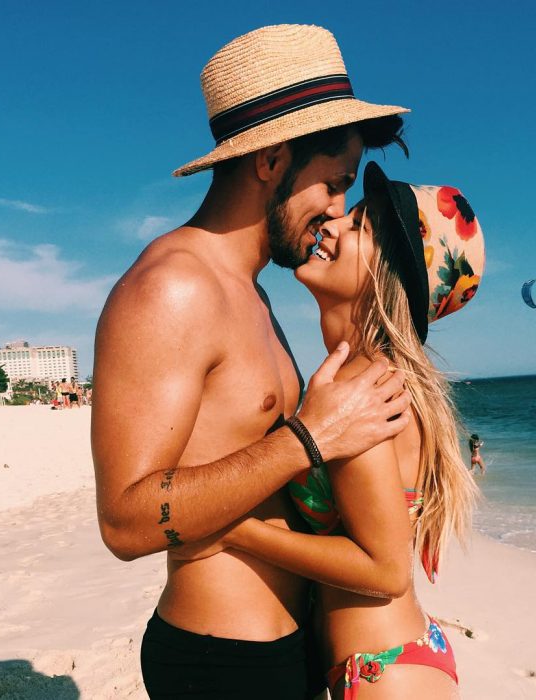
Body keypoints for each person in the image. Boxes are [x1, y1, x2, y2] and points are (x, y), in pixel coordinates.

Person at [92, 25, 411, 700]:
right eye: (332, 183)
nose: (335, 212)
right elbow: (123, 521)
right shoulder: (173, 288)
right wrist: (309, 438)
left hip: (287, 647)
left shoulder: (253, 292)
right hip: (222, 664)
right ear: (269, 160)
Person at [193, 163, 486, 698]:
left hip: (379, 674)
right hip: (393, 654)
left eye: (360, 230)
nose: (331, 224)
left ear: (389, 277)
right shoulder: (371, 377)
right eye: (350, 217)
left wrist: (231, 527)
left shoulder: (365, 388)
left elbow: (383, 569)